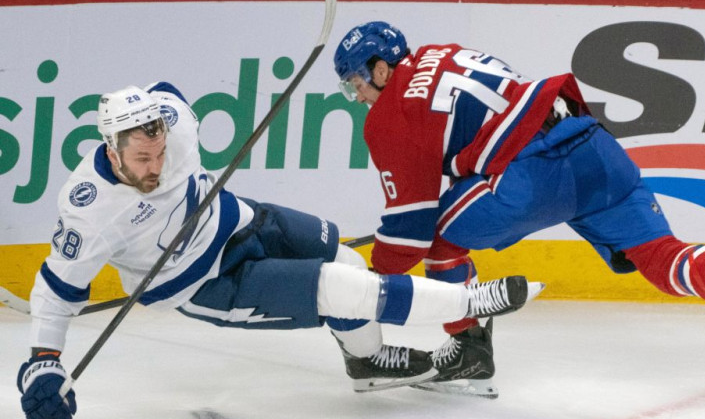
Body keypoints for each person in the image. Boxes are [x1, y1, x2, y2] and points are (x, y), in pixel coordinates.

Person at [15, 82, 543, 419]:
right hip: (208, 284)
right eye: (142, 159)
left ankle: (367, 362)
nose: (155, 167)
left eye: (159, 154)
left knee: (349, 261)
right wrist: (43, 363)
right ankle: (474, 302)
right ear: (112, 149)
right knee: (348, 291)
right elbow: (57, 291)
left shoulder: (172, 122)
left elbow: (168, 90)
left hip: (242, 219)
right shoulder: (89, 210)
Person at [331, 20, 705, 395]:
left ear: (380, 70)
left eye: (357, 86)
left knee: (437, 240)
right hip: (592, 145)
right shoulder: (442, 52)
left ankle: (470, 350)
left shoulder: (389, 115)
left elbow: (409, 233)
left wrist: (368, 286)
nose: (360, 99)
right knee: (658, 253)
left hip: (532, 173)